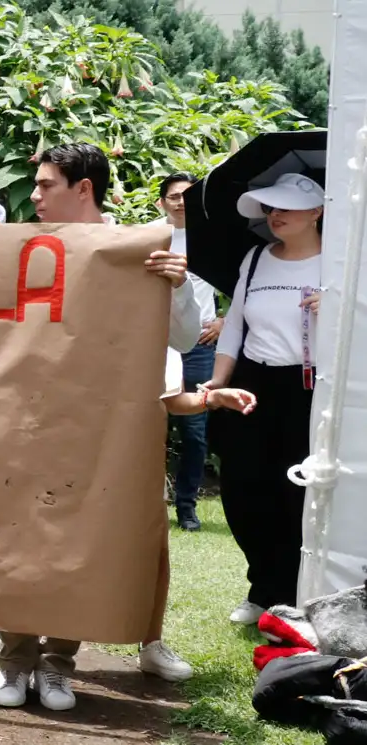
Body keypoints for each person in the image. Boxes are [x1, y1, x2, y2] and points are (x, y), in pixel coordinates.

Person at [0, 143, 199, 711]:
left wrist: (177, 289)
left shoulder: (139, 251)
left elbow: (182, 337)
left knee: (80, 543)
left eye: (46, 184)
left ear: (84, 188)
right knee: (14, 537)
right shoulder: (21, 249)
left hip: (101, 432)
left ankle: (57, 665)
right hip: (23, 422)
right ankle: (14, 661)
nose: (33, 195)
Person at [209, 171, 325, 626]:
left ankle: (291, 590)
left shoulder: (342, 262)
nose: (276, 215)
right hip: (253, 383)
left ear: (317, 211)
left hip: (311, 386)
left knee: (296, 491)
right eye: (271, 207)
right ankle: (262, 584)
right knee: (241, 487)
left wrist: (334, 308)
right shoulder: (255, 259)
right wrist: (219, 381)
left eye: (287, 207)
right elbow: (234, 325)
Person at [156, 173, 219, 532]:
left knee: (195, 431)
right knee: (152, 425)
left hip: (199, 345)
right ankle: (151, 501)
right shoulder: (148, 235)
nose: (181, 201)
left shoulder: (212, 238)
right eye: (175, 196)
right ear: (161, 202)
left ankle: (187, 506)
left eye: (189, 196)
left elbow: (241, 284)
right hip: (156, 340)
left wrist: (224, 321)